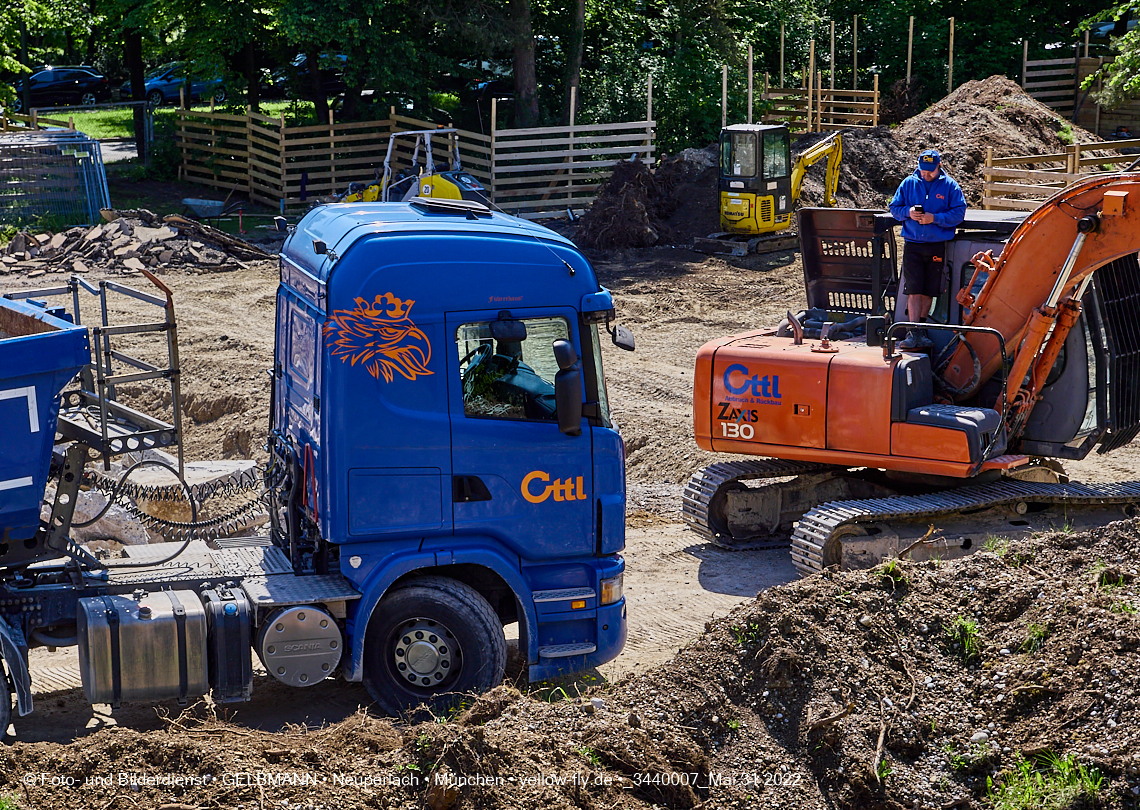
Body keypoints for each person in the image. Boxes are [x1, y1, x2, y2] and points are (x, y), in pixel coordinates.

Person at [888, 149, 967, 350]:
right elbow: (894, 208)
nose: (926, 174)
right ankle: (913, 331)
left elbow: (959, 213)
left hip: (936, 244)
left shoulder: (950, 186)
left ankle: (920, 330)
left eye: (930, 171)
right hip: (913, 244)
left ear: (939, 167)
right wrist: (908, 212)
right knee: (913, 289)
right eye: (923, 171)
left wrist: (935, 218)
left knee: (930, 289)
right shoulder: (908, 183)